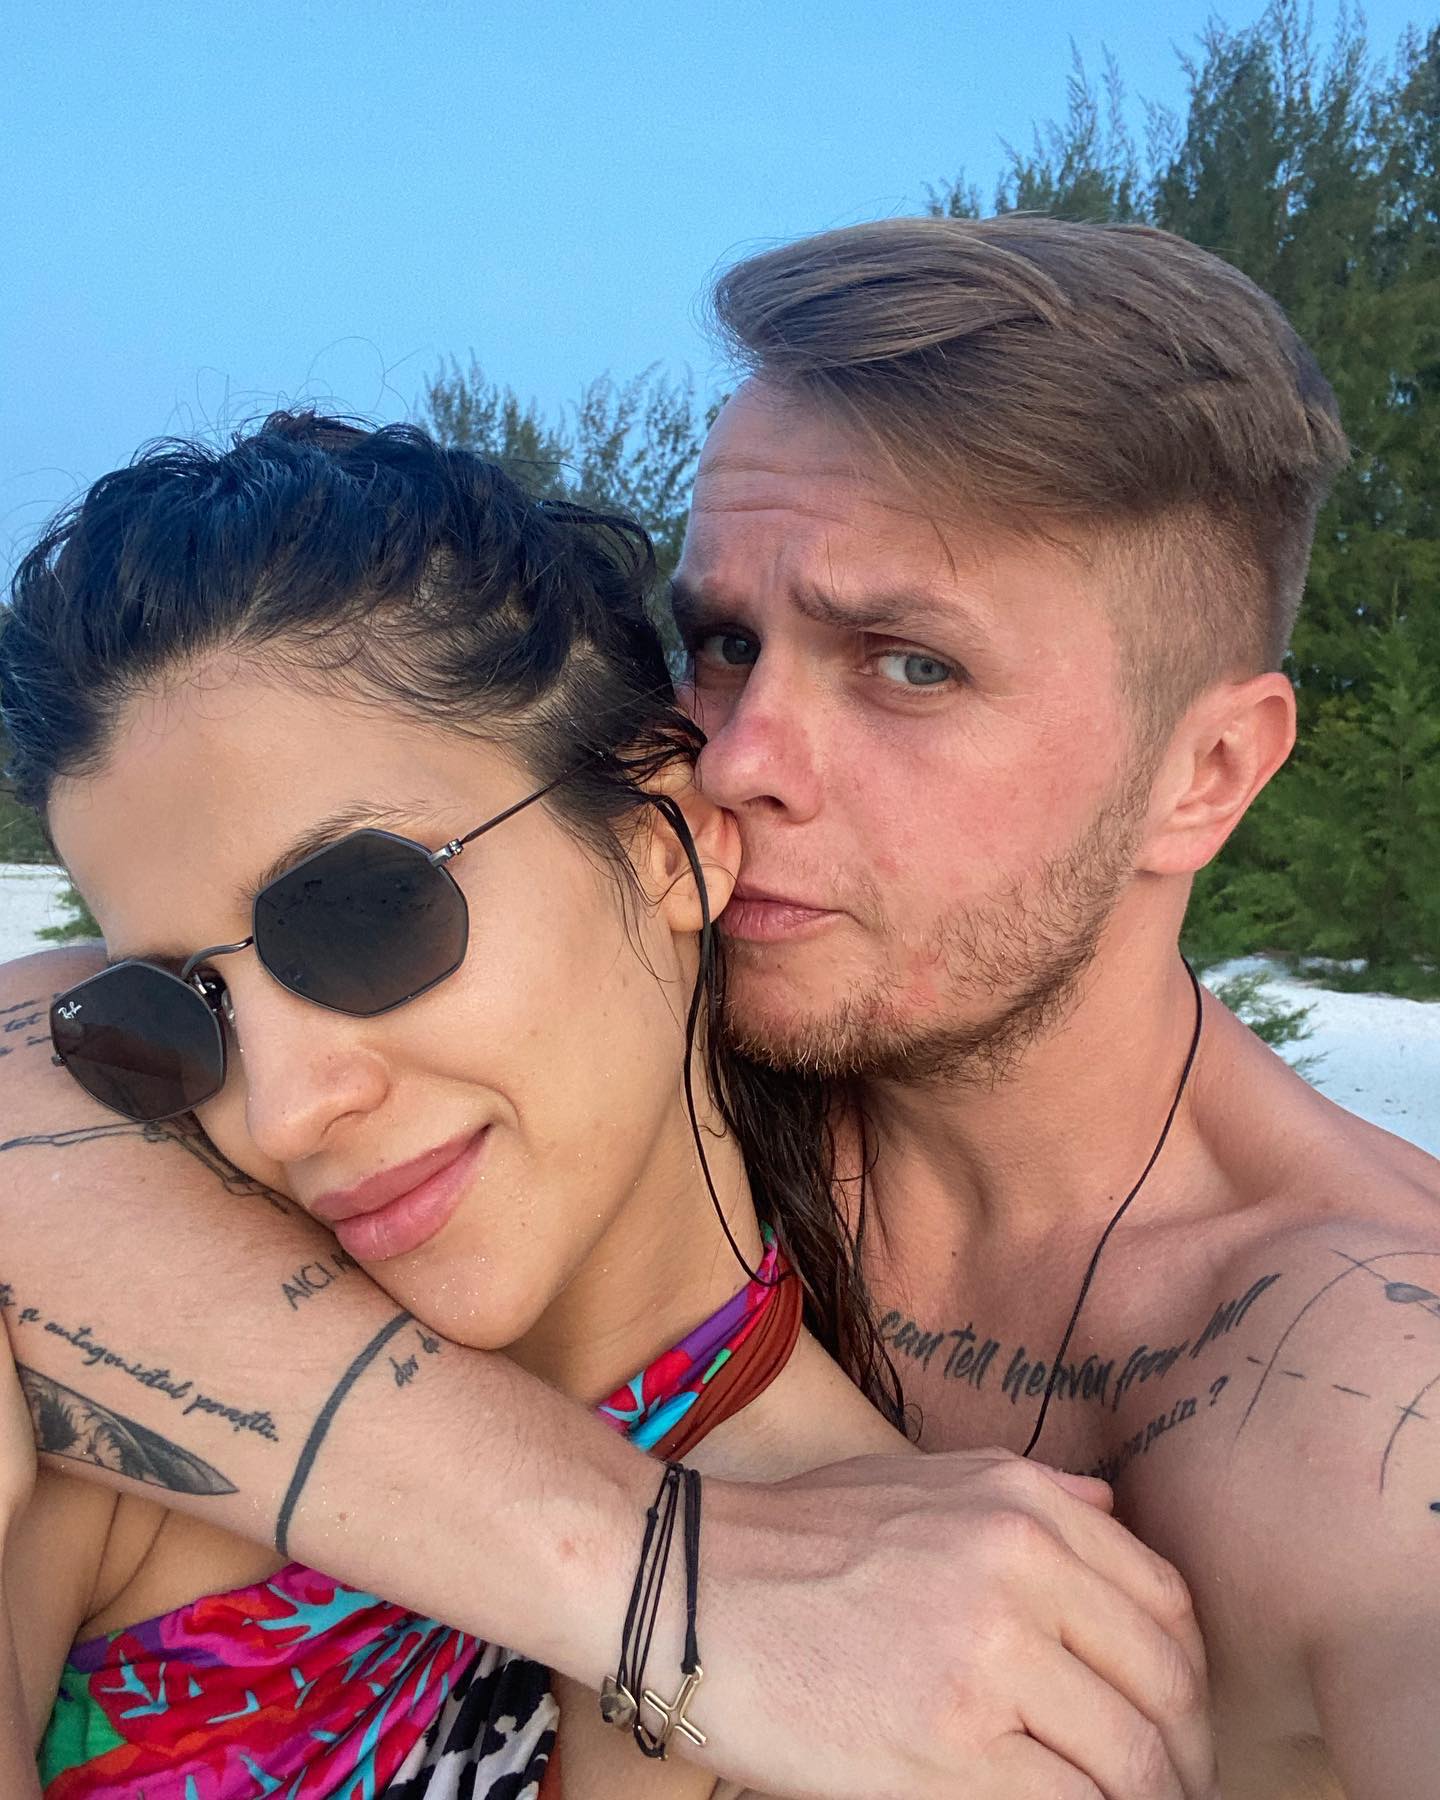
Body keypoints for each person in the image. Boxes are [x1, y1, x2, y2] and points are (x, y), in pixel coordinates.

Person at [13, 206, 1412, 1796]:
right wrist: (651, 1581)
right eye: (725, 642)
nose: (735, 757)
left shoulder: (1362, 1407)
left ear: (1208, 771)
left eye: (909, 663)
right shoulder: (594, 1060)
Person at [0, 415, 920, 1796]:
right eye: (180, 1011)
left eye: (363, 913)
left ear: (666, 839)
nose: (284, 1110)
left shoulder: (913, 1640)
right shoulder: (127, 1403)